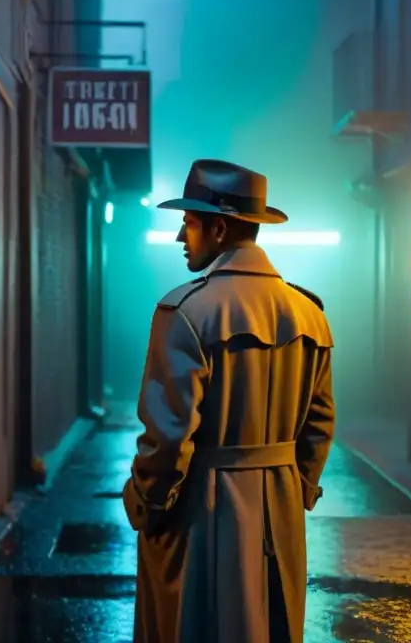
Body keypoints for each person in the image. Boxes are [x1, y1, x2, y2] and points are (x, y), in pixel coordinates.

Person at [123, 159, 335, 643]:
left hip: (202, 513)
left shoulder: (185, 312)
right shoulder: (310, 314)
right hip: (279, 514)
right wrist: (292, 489)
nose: (181, 236)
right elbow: (319, 425)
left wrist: (148, 505)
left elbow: (166, 439)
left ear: (219, 229)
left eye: (190, 223)